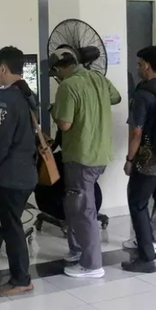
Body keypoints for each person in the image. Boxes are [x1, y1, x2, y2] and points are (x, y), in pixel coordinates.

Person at [50, 48, 121, 278]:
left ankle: (92, 265)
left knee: (82, 210)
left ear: (61, 68)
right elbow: (116, 97)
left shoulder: (68, 86)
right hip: (101, 153)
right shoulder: (99, 78)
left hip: (81, 156)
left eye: (56, 72)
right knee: (75, 204)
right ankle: (77, 249)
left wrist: (53, 110)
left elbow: (65, 125)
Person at [0, 47, 39, 295]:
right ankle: (21, 276)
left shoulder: (7, 100)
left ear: (3, 68)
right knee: (14, 225)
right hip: (27, 172)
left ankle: (20, 280)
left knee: (12, 227)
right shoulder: (28, 96)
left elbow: (0, 142)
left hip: (12, 175)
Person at [122, 46, 156, 273]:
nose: (138, 68)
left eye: (139, 64)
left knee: (138, 203)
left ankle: (146, 258)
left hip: (147, 160)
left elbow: (136, 132)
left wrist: (129, 159)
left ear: (147, 65)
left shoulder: (143, 94)